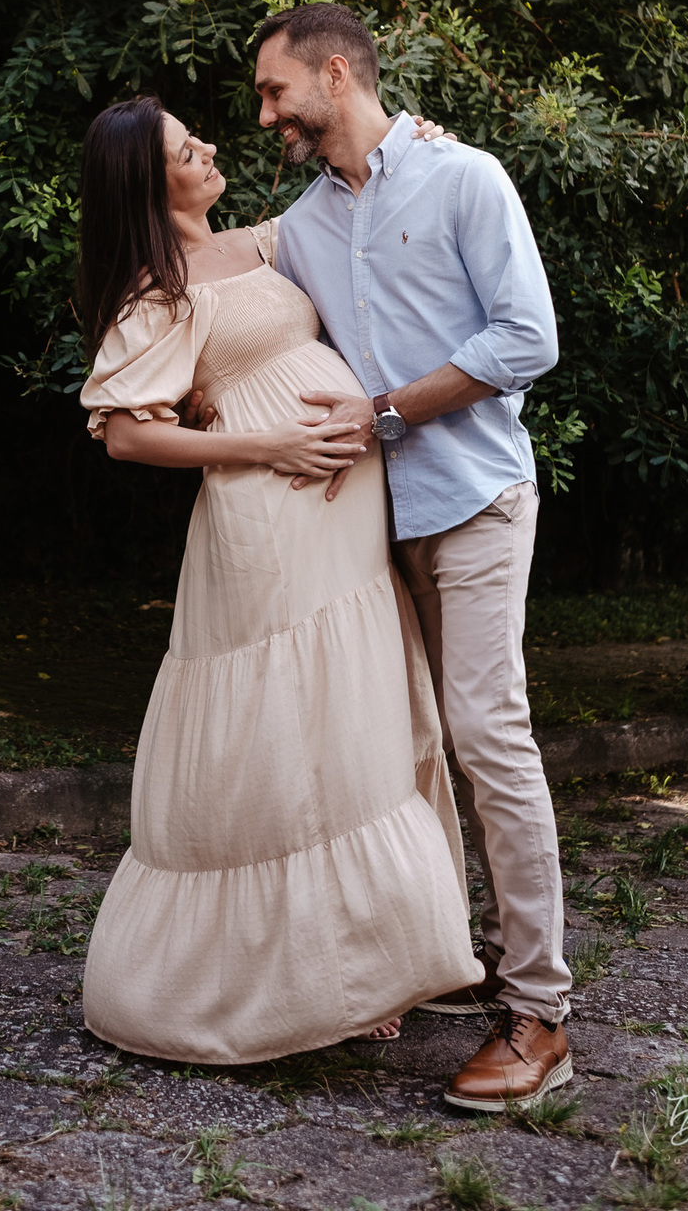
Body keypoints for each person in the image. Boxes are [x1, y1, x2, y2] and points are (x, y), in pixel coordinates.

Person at [76, 93, 483, 1066]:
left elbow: (355, 200)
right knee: (294, 729)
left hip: (341, 527)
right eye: (186, 147)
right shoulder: (156, 293)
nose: (209, 145)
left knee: (359, 714)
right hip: (265, 519)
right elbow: (128, 431)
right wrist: (266, 444)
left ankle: (377, 954)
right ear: (148, 179)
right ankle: (314, 980)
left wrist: (410, 139)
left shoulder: (257, 245)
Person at [252, 1, 572, 1112]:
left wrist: (387, 413)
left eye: (275, 91)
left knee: (487, 734)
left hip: (476, 499)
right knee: (397, 750)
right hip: (368, 529)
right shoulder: (298, 226)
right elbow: (217, 277)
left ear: (335, 76)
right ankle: (424, 957)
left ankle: (541, 1012)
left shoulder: (465, 177)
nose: (266, 115)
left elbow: (529, 337)